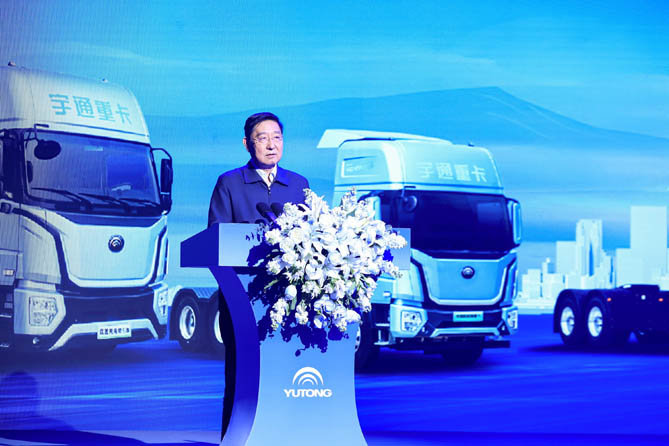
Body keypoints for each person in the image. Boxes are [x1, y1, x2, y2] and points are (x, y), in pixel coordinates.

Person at [207, 112, 309, 437]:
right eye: (262, 137)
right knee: (242, 377)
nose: (271, 144)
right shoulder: (230, 183)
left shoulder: (298, 185)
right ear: (247, 143)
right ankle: (235, 439)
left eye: (277, 137)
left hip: (287, 300)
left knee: (284, 376)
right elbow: (216, 239)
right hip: (242, 299)